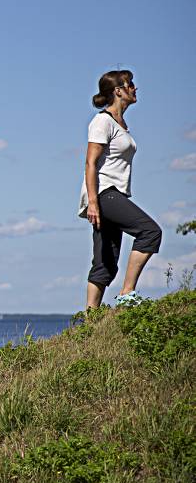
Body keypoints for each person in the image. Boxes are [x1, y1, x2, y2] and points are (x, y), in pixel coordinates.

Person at [79, 69, 162, 308]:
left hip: (113, 194)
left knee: (106, 261)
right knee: (150, 231)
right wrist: (93, 202)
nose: (135, 88)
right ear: (118, 91)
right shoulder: (102, 121)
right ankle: (127, 293)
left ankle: (89, 322)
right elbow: (90, 162)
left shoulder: (120, 124)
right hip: (104, 192)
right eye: (130, 85)